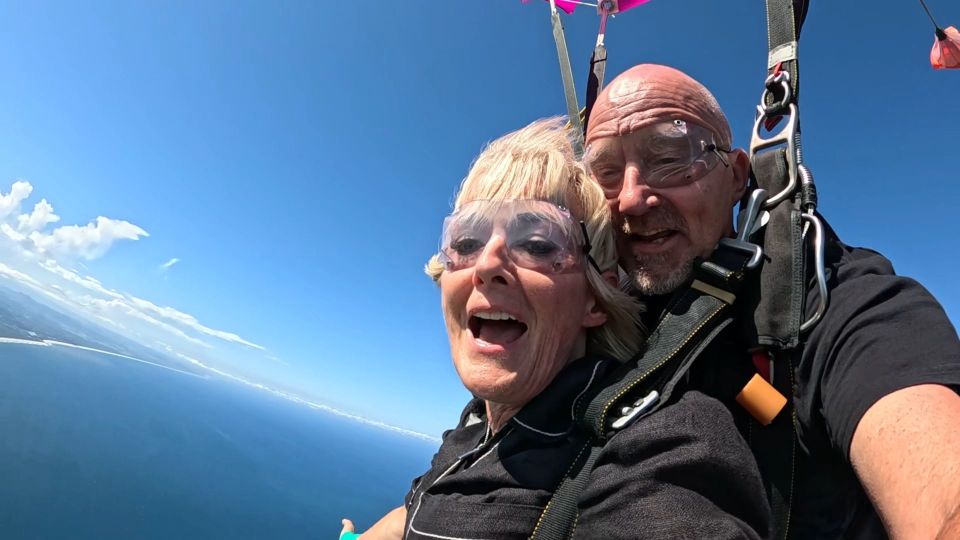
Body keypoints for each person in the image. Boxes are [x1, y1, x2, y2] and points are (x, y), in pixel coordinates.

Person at [341, 118, 772, 539]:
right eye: (467, 242)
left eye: (537, 243)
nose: (488, 265)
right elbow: (418, 507)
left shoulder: (657, 447)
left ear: (596, 297)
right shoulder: (474, 430)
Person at [582, 63, 960, 539]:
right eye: (605, 173)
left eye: (671, 157)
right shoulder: (586, 310)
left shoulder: (824, 302)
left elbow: (937, 475)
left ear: (737, 176)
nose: (632, 199)